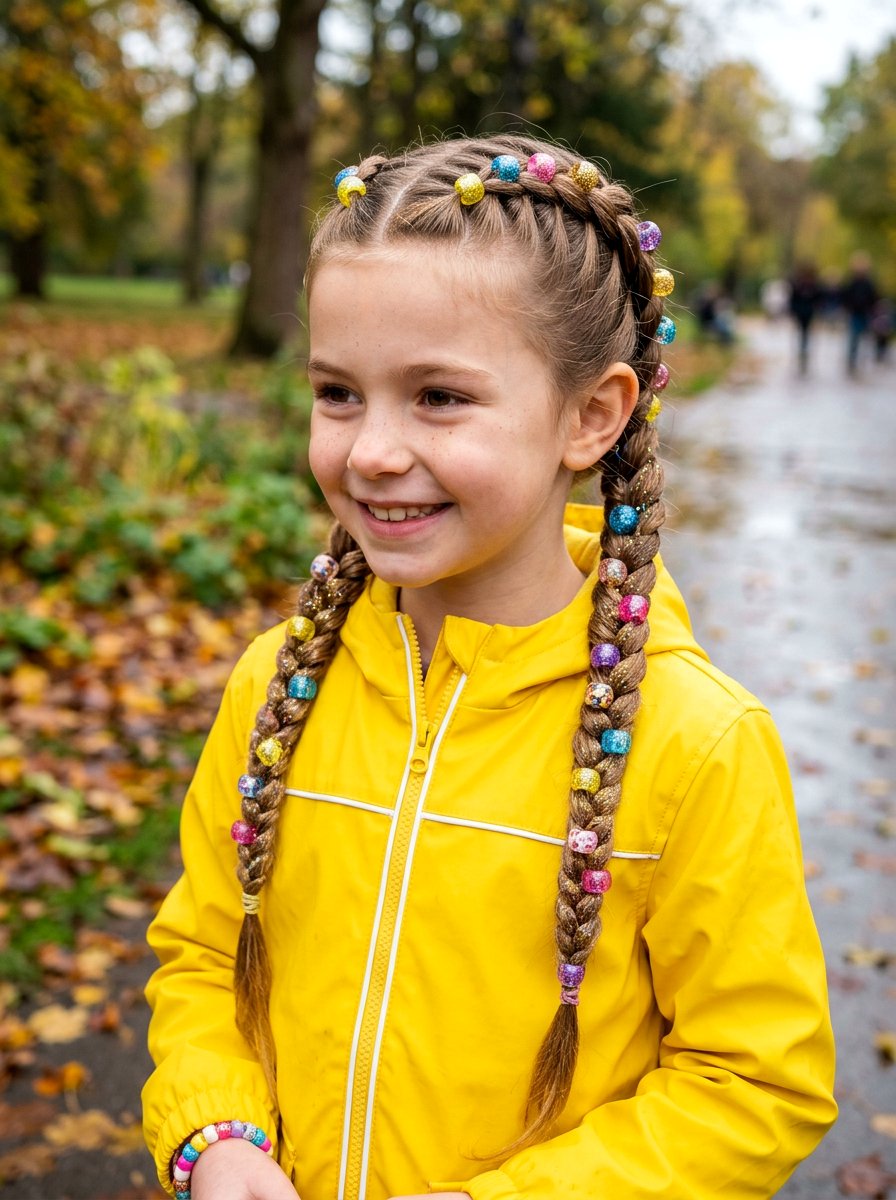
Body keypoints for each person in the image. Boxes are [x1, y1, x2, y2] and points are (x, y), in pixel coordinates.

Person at [142, 135, 837, 1200]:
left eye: (437, 398)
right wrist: (217, 1138)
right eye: (337, 392)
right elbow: (201, 957)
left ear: (589, 416)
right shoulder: (277, 684)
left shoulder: (694, 744)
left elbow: (754, 1082)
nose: (370, 448)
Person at [840, 252, 879, 375]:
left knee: (864, 339)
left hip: (865, 313)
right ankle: (852, 361)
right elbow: (846, 296)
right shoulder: (852, 282)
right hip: (855, 313)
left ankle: (861, 361)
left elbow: (874, 297)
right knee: (853, 338)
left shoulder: (869, 283)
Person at [787, 263, 824, 375]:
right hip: (800, 314)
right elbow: (793, 300)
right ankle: (801, 354)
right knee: (801, 335)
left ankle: (805, 354)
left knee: (807, 335)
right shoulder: (797, 285)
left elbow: (818, 300)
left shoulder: (814, 286)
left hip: (809, 314)